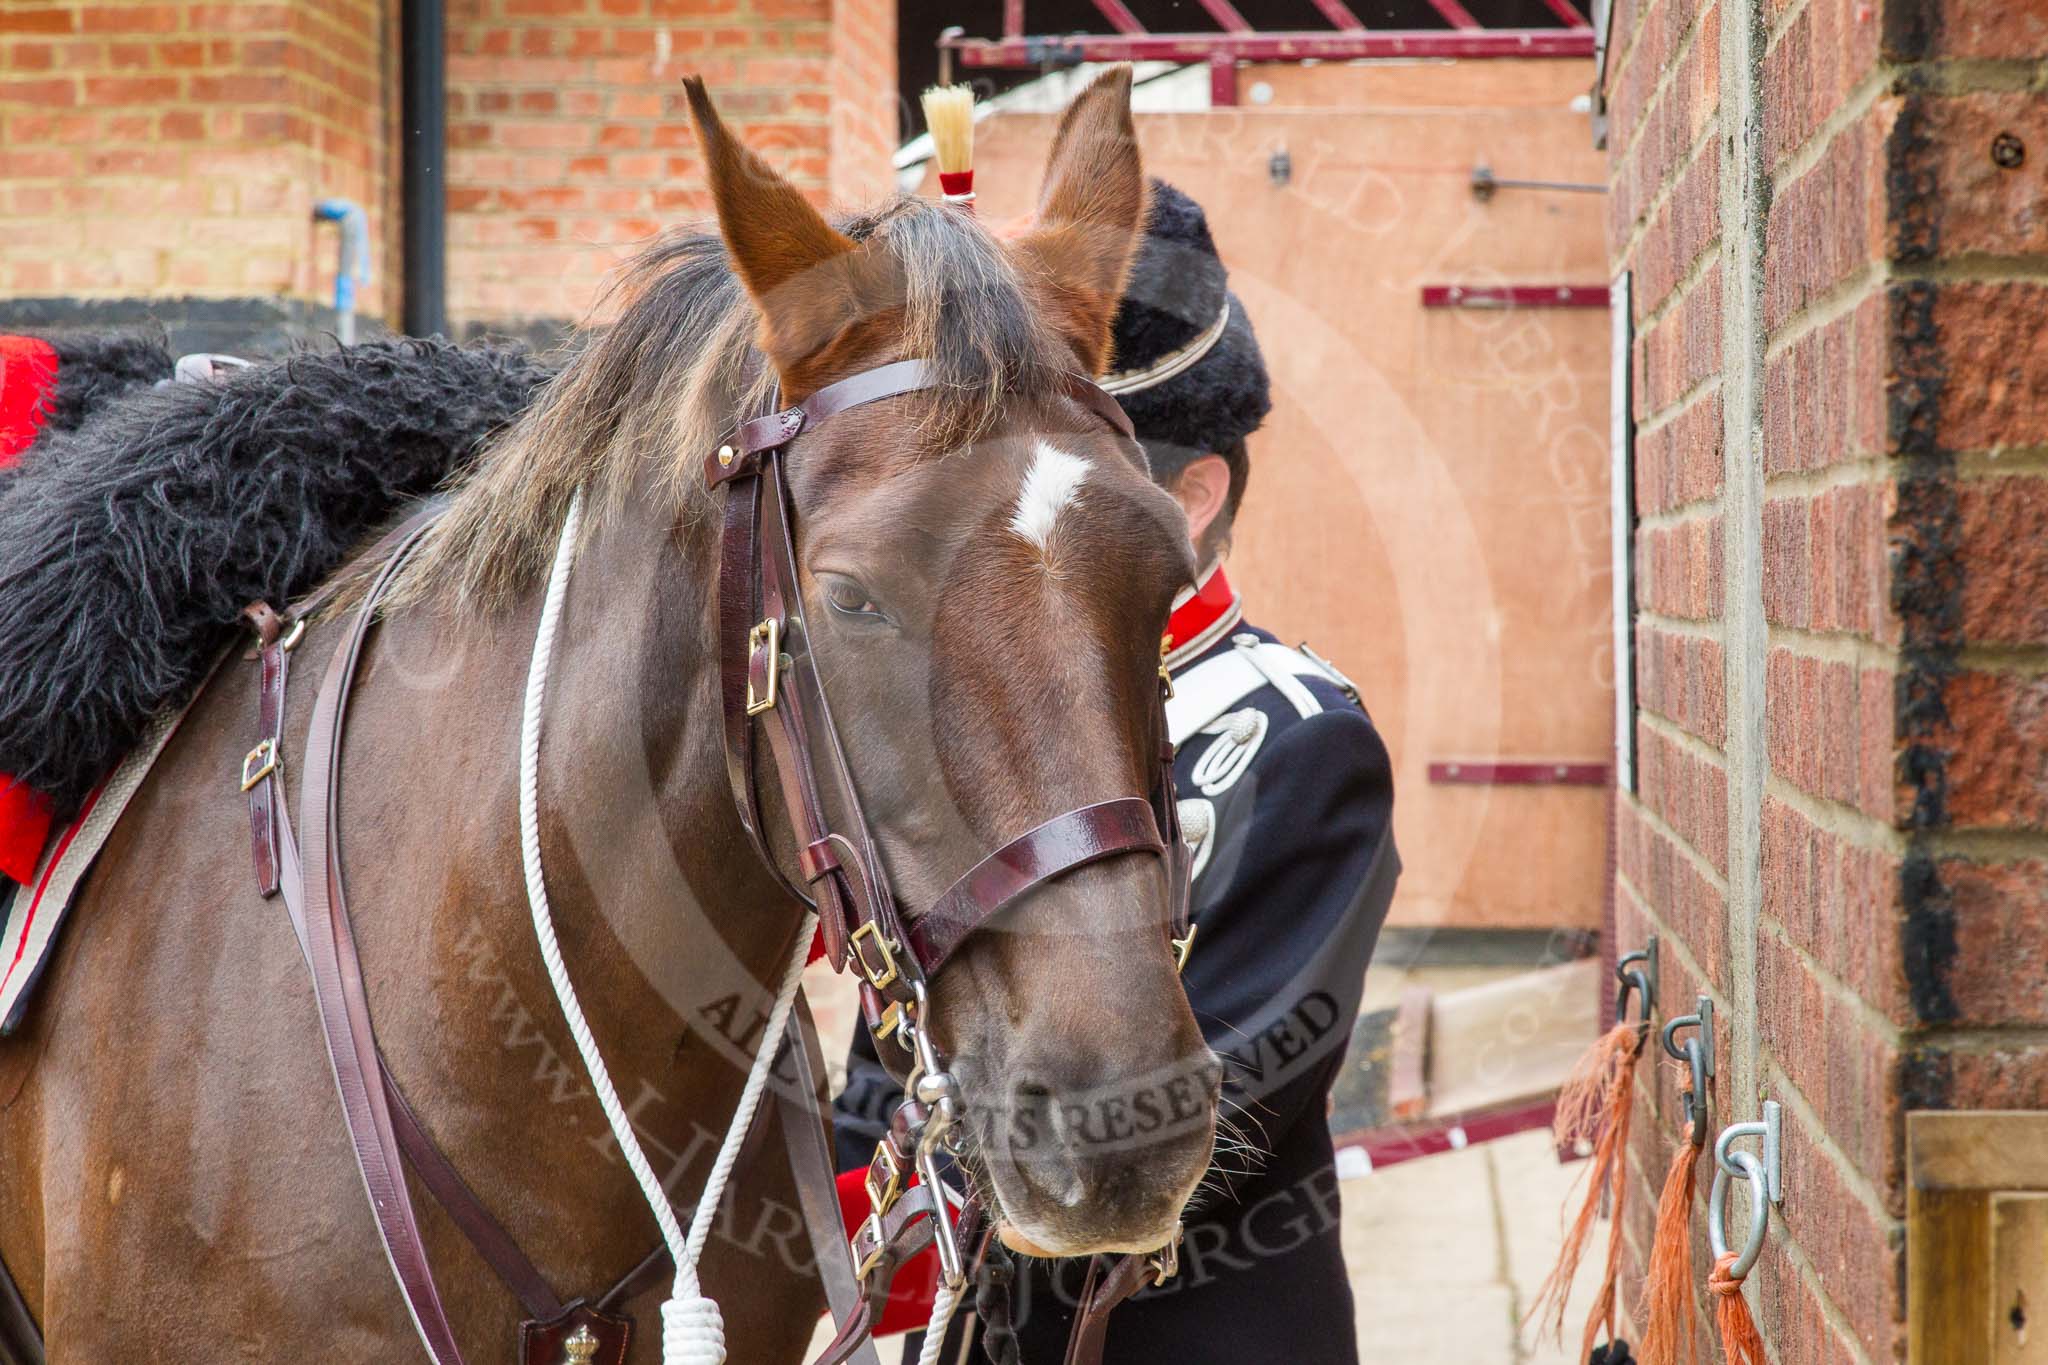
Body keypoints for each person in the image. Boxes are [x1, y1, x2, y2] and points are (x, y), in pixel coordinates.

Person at [831, 180, 1399, 1363]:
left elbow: (1168, 1119)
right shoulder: (960, 726)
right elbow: (888, 1062)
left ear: (1189, 499)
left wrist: (853, 1231)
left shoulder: (1300, 741)